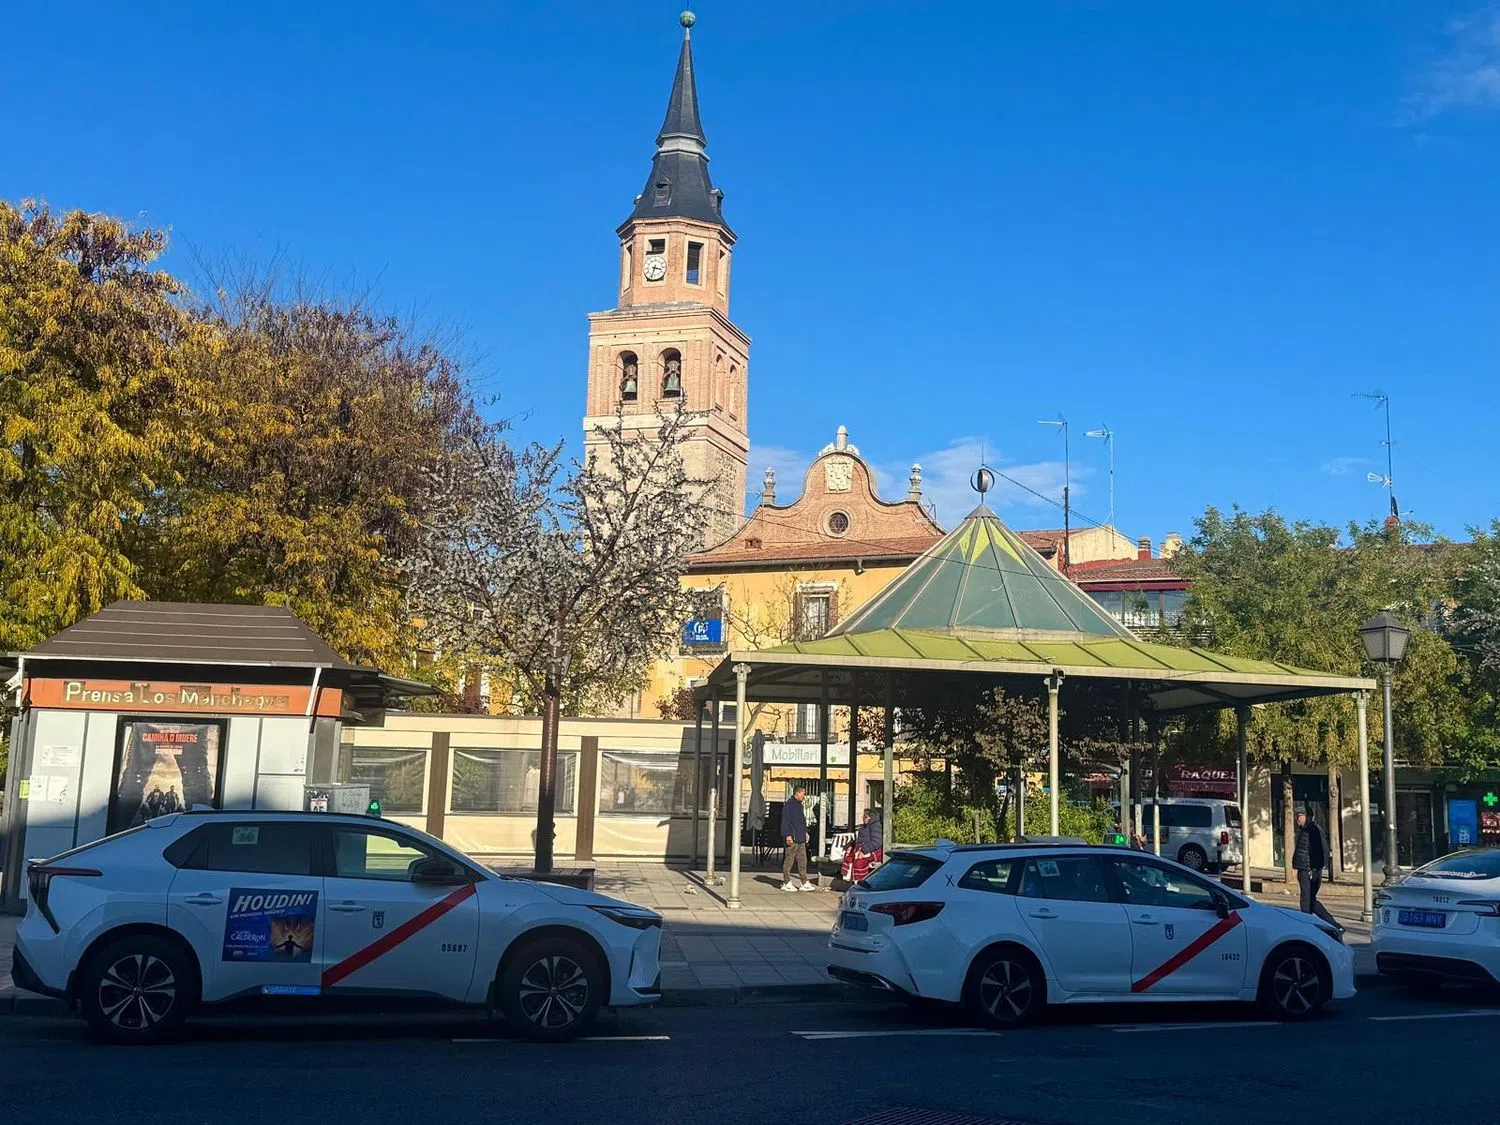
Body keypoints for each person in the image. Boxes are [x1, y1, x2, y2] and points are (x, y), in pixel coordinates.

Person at [1293, 808, 1340, 929]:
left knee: (1306, 899)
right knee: (1311, 900)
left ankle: (1306, 924)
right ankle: (1333, 924)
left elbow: (1321, 851)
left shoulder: (1312, 831)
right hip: (1305, 868)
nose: (1297, 819)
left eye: (1299, 816)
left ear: (1307, 817)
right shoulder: (1305, 830)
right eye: (1297, 816)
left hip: (1308, 870)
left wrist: (1314, 869)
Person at [781, 786, 815, 892]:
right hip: (793, 837)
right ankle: (786, 882)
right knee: (789, 860)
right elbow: (785, 822)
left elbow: (801, 821)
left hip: (800, 837)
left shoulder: (799, 805)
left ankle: (804, 882)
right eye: (803, 793)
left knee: (802, 860)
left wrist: (805, 833)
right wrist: (787, 835)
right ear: (797, 793)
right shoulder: (789, 806)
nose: (804, 796)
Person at [841, 808, 884, 885]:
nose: (863, 818)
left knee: (859, 862)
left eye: (865, 816)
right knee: (849, 857)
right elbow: (860, 839)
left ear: (870, 817)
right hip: (863, 848)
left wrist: (864, 851)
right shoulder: (864, 826)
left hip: (872, 850)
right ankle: (853, 882)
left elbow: (877, 842)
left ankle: (859, 882)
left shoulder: (876, 826)